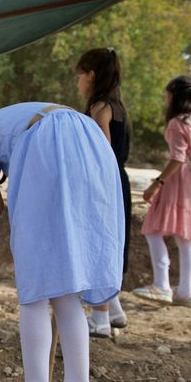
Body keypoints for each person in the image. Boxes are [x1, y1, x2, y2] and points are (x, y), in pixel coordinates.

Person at [0, 100, 124, 382]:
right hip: (90, 142)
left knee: (36, 287)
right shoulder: (12, 120)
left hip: (50, 144)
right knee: (66, 286)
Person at [132, 76, 191, 308]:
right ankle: (186, 291)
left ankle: (162, 285)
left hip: (179, 182)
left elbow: (177, 158)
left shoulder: (177, 124)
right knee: (184, 237)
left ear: (174, 96)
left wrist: (156, 183)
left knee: (152, 229)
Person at [76, 47, 132, 338]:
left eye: (80, 75)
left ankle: (99, 317)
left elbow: (101, 154)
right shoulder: (118, 106)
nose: (78, 82)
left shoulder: (100, 109)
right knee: (113, 240)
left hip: (104, 185)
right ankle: (115, 308)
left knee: (100, 241)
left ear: (92, 75)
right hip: (118, 182)